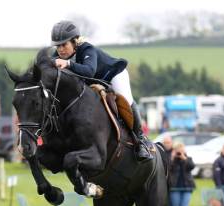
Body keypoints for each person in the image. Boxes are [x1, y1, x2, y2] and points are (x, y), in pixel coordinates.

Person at [50, 20, 151, 162]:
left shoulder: (87, 49)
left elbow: (89, 71)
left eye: (64, 44)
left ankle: (141, 141)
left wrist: (68, 63)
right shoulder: (59, 55)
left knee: (126, 100)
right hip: (96, 83)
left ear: (74, 41)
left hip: (114, 75)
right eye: (57, 46)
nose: (60, 49)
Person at [168, 142, 195, 206]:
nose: (179, 152)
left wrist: (184, 158)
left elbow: (192, 167)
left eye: (181, 149)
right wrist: (172, 158)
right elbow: (167, 169)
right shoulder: (172, 160)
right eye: (177, 150)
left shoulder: (188, 158)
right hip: (175, 188)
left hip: (187, 187)